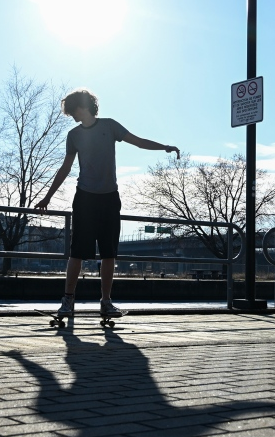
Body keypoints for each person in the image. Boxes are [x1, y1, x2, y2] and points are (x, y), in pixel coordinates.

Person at [35, 88, 179, 317]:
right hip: (85, 198)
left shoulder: (110, 126)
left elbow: (138, 142)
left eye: (73, 111)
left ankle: (106, 303)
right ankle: (67, 301)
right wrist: (48, 196)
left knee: (108, 253)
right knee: (77, 252)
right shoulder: (73, 135)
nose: (72, 116)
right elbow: (65, 168)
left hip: (109, 197)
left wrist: (164, 147)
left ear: (83, 106)